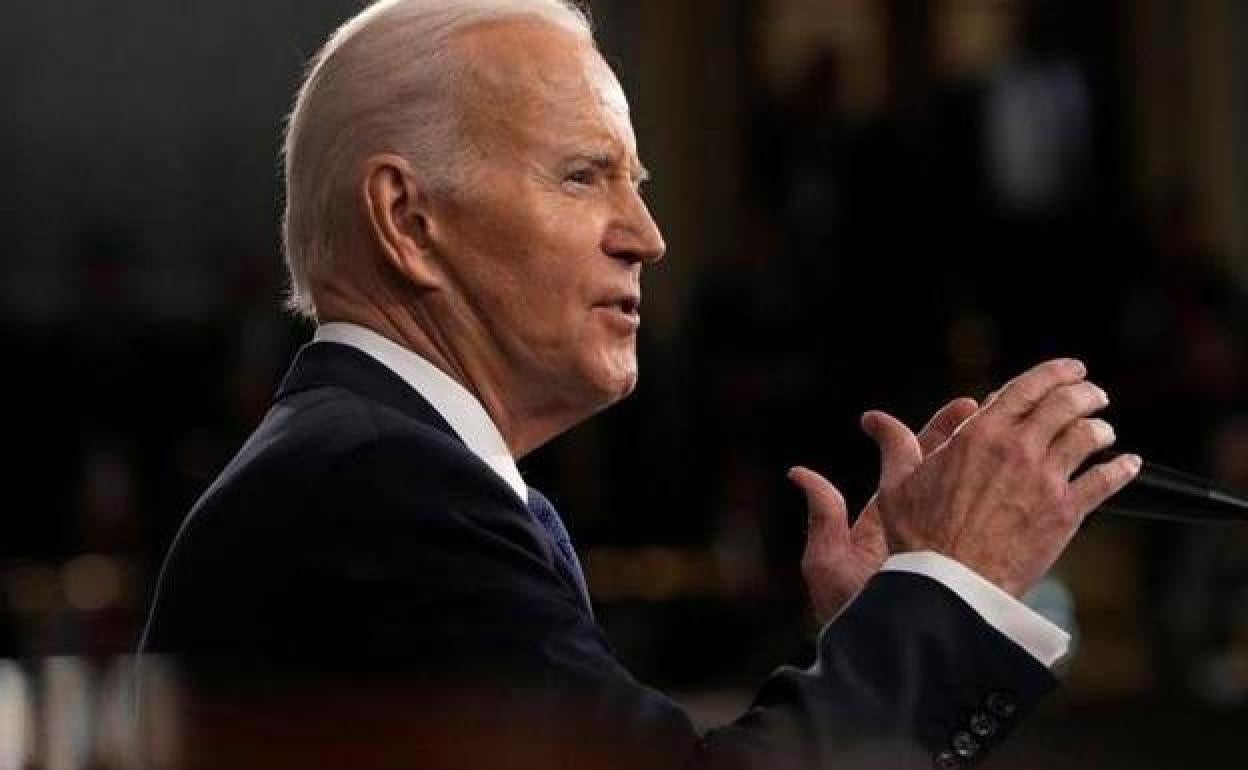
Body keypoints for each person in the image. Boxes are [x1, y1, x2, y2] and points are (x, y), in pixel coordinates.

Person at [138, 1, 1140, 767]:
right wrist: (948, 590)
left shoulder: (365, 470)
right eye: (584, 176)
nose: (648, 236)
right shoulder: (376, 486)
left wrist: (874, 636)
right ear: (408, 218)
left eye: (640, 185)